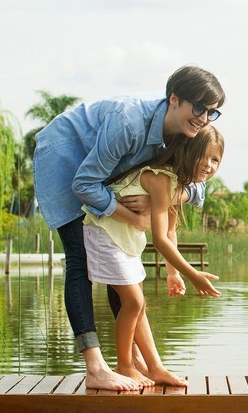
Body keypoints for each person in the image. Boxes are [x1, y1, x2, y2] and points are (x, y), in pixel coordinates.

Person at [34, 66, 225, 390]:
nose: (204, 118)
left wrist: (156, 201)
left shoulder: (187, 129)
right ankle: (96, 367)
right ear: (174, 100)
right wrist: (132, 216)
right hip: (66, 156)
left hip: (102, 177)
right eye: (198, 108)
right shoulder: (129, 123)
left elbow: (195, 187)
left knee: (123, 275)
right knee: (80, 261)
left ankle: (136, 362)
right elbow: (84, 183)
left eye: (212, 112)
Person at [84, 125, 224, 387]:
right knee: (134, 303)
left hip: (126, 237)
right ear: (187, 152)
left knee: (139, 305)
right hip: (105, 233)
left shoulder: (177, 184)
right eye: (202, 156)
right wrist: (192, 274)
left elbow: (170, 231)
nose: (208, 165)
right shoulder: (161, 178)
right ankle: (125, 365)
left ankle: (155, 367)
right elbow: (159, 240)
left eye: (215, 159)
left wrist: (173, 273)